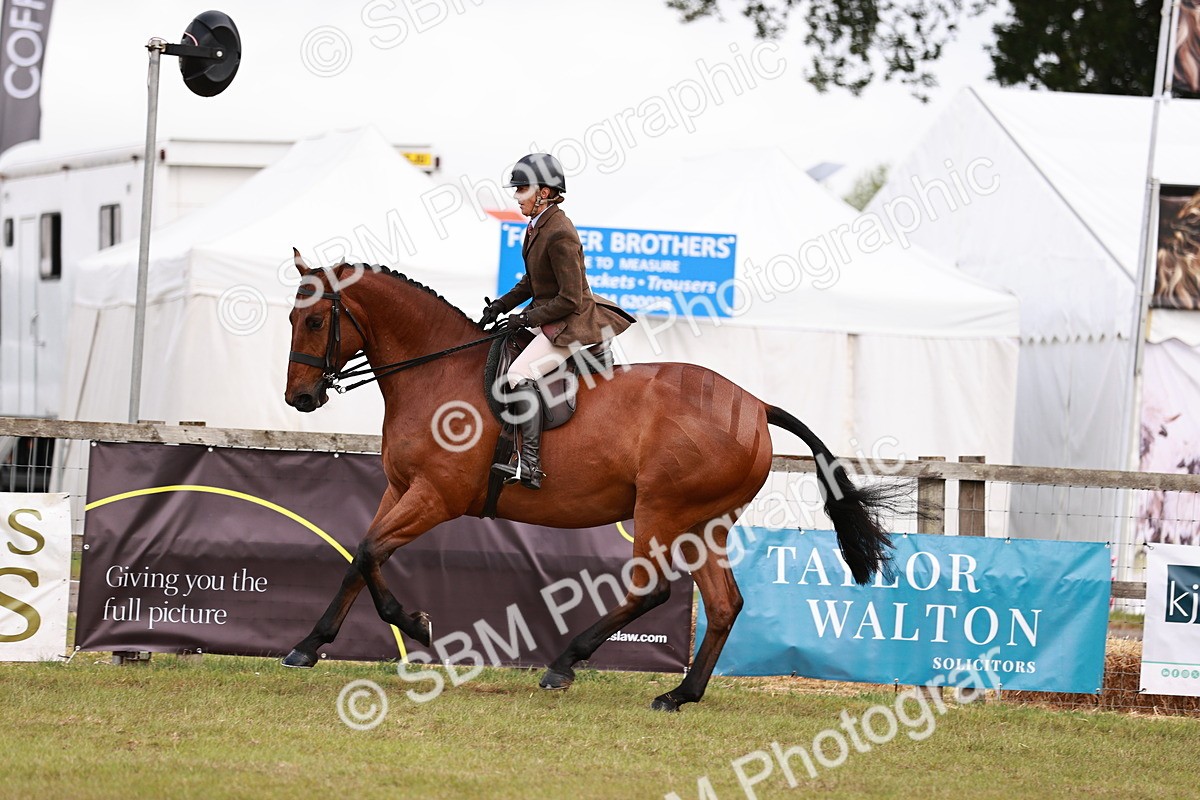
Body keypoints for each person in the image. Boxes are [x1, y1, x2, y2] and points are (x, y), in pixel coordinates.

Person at [480, 153, 635, 489]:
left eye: (522, 189)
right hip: (551, 315)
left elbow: (570, 299)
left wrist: (524, 318)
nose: (517, 195)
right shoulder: (538, 226)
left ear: (544, 193)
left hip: (571, 323)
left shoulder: (560, 232)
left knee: (519, 374)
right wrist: (501, 306)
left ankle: (530, 465)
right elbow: (532, 282)